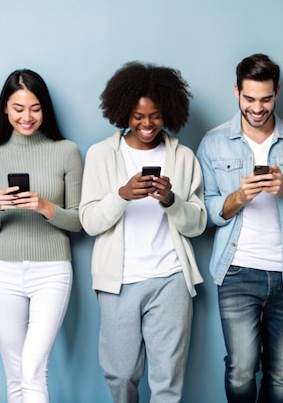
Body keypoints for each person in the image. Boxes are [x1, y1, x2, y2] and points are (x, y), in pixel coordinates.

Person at [196, 53, 283, 403]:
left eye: (266, 98)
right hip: (237, 272)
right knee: (240, 370)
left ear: (277, 92)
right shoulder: (213, 142)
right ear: (236, 91)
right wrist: (239, 195)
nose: (257, 107)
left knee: (279, 374)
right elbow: (205, 213)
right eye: (249, 98)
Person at [79, 61, 206, 403]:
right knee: (120, 374)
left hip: (171, 278)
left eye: (155, 115)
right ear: (123, 112)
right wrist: (122, 195)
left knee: (168, 377)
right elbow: (89, 221)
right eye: (137, 115)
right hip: (118, 281)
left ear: (169, 113)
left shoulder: (183, 158)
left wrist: (170, 199)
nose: (147, 124)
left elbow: (197, 224)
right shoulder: (101, 155)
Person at [0, 69, 82, 403]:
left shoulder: (67, 151)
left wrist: (45, 206)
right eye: (18, 108)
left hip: (51, 271)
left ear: (44, 109)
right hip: (1, 273)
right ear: (5, 110)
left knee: (33, 371)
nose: (27, 116)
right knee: (15, 375)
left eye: (35, 108)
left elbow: (78, 221)